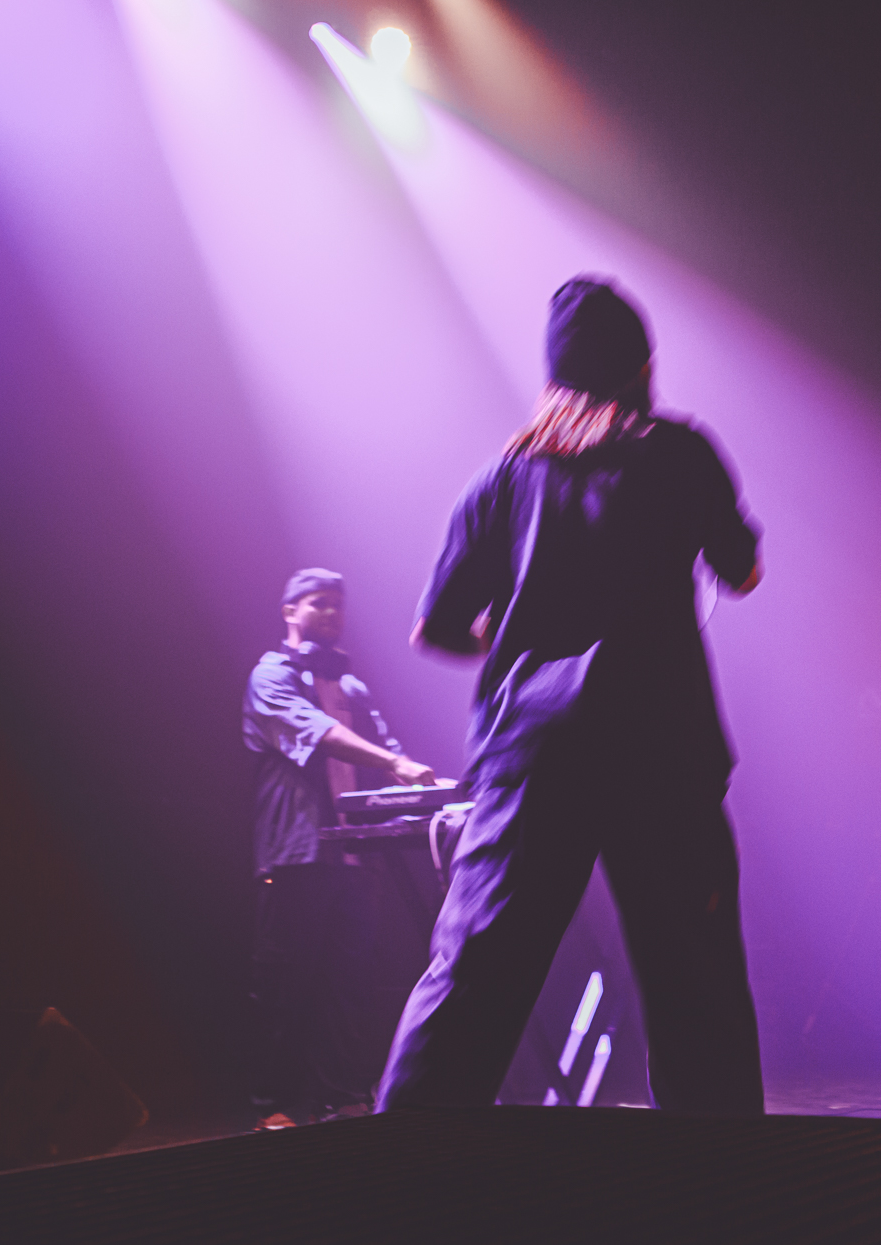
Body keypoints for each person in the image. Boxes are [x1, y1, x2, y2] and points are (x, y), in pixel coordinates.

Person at [376, 276, 766, 1115]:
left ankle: (397, 1164)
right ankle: (726, 1175)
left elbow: (435, 628)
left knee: (472, 972)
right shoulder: (680, 453)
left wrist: (517, 639)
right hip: (662, 749)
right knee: (693, 980)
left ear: (554, 373)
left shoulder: (503, 477)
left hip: (532, 752)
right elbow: (742, 572)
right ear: (643, 366)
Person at [243, 568, 437, 1128]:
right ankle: (275, 1107)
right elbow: (319, 734)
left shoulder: (352, 688)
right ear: (290, 611)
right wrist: (395, 762)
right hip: (297, 855)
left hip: (354, 859)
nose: (331, 613)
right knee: (286, 984)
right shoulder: (270, 676)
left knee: (349, 983)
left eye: (338, 604)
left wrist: (432, 787)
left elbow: (392, 757)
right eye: (319, 602)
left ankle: (341, 1098)